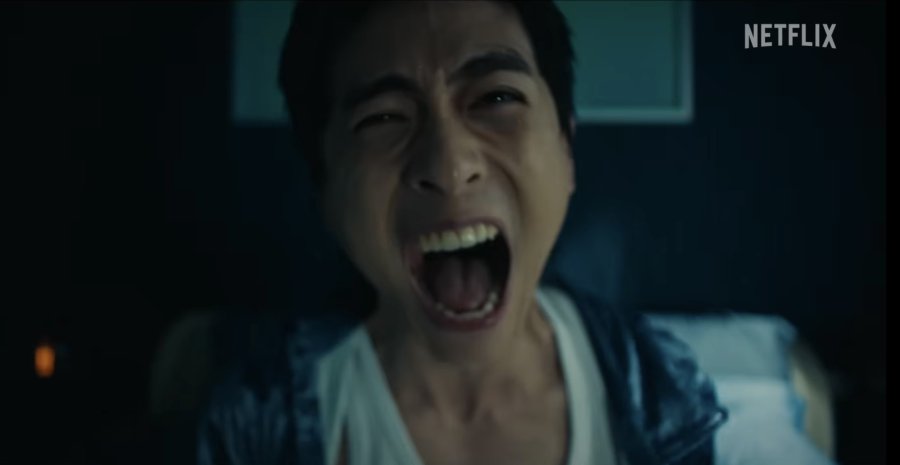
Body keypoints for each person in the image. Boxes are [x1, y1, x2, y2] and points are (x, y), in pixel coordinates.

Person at [197, 1, 728, 464]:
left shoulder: (663, 391)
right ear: (325, 191)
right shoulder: (255, 427)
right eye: (383, 118)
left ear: (565, 149)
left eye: (496, 99)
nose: (450, 166)